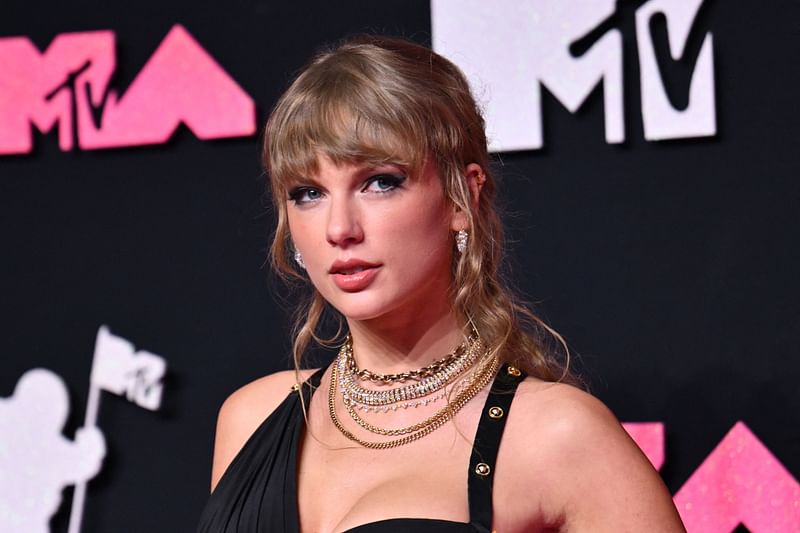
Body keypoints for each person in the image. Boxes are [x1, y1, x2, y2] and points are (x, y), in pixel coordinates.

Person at [197, 35, 685, 532]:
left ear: (461, 198)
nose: (339, 228)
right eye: (308, 193)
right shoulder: (251, 418)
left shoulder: (556, 436)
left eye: (380, 182)